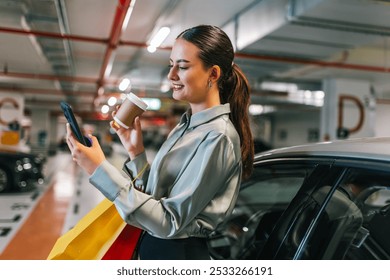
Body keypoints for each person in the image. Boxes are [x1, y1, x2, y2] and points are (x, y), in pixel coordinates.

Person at [65, 24, 254, 260]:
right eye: (170, 65)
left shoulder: (218, 137)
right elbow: (156, 199)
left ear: (213, 74)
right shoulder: (186, 126)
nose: (171, 75)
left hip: (178, 254)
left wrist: (99, 170)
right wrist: (137, 153)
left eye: (182, 66)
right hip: (156, 245)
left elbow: (169, 221)